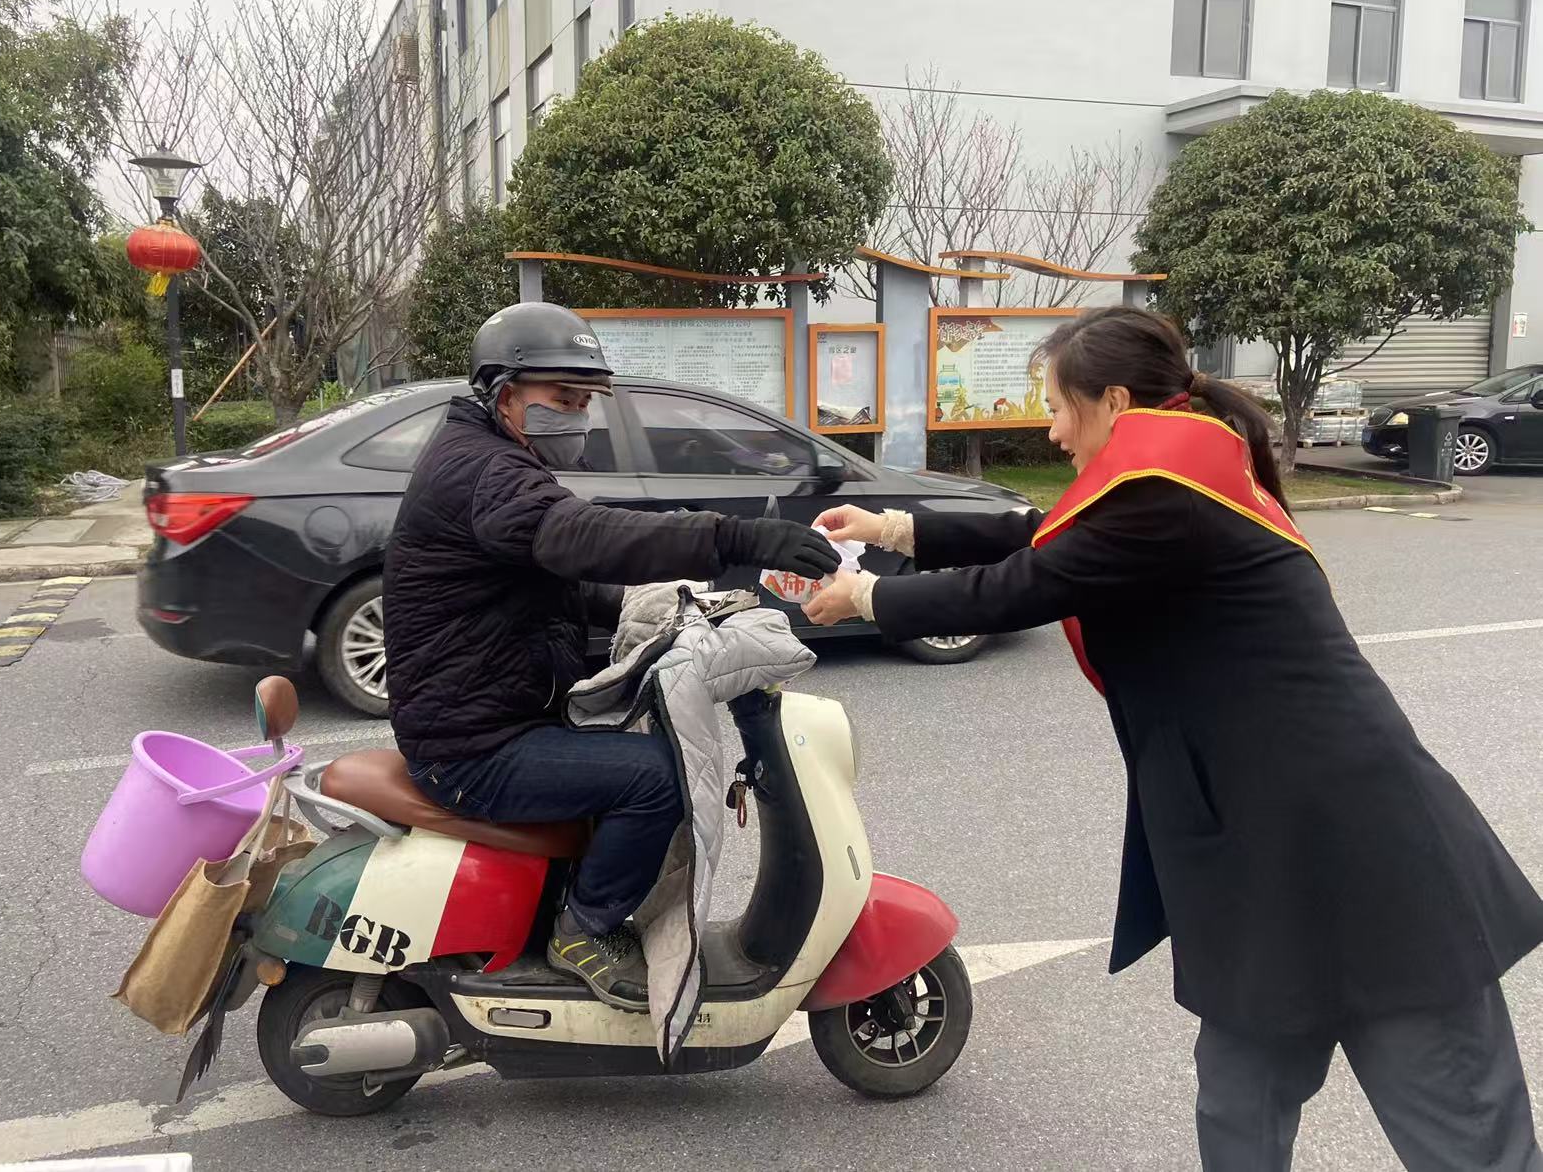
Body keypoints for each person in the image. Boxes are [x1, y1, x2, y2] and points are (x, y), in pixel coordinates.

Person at [806, 305, 1543, 1171]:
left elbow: (1026, 583)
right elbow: (1047, 536)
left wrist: (866, 598)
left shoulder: (1166, 496)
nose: (1053, 431)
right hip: (1261, 847)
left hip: (1358, 850)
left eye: (1059, 406)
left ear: (1115, 402)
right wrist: (892, 529)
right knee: (1240, 1100)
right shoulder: (1177, 474)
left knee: (1460, 1124)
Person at [382, 302, 838, 1012]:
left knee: (633, 747)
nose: (578, 417)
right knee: (659, 776)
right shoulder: (484, 471)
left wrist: (657, 607)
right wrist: (735, 538)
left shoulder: (492, 456)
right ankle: (584, 930)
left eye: (584, 401)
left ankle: (575, 902)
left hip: (494, 714)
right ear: (504, 393)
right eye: (562, 399)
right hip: (471, 747)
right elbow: (581, 535)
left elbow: (555, 581)